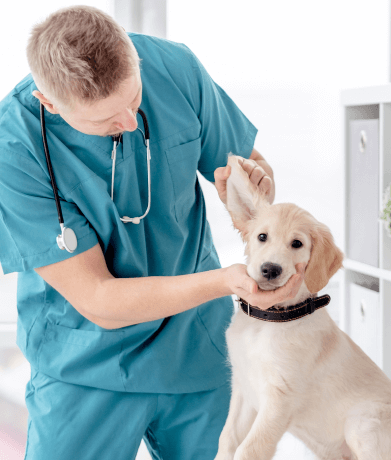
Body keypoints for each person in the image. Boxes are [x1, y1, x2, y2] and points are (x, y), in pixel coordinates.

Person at [0, 6, 305, 460]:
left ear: (133, 59)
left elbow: (255, 172)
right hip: (86, 363)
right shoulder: (15, 145)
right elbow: (100, 299)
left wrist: (254, 187)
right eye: (106, 122)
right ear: (49, 102)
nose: (129, 121)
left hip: (197, 351)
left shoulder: (174, 67)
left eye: (134, 99)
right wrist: (226, 280)